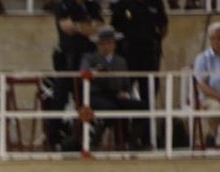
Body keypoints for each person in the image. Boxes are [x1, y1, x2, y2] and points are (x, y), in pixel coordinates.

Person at [47, 0, 104, 150]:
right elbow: (67, 27)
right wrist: (86, 27)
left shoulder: (91, 5)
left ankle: (84, 138)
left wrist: (79, 27)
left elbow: (98, 28)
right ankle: (53, 139)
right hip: (68, 61)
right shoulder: (64, 5)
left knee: (86, 100)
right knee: (59, 99)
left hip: (88, 60)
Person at [80, 26, 147, 149]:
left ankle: (132, 142)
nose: (107, 46)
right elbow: (84, 71)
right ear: (98, 44)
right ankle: (94, 142)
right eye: (103, 43)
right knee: (110, 109)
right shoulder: (89, 58)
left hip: (116, 95)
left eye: (110, 42)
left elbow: (126, 83)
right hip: (96, 95)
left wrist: (125, 93)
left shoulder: (121, 61)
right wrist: (96, 72)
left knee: (141, 106)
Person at [109, 0, 168, 108]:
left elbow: (163, 26)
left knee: (149, 90)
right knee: (124, 89)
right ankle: (124, 117)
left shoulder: (155, 2)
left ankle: (148, 116)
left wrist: (155, 40)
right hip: (127, 55)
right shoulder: (122, 4)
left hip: (149, 54)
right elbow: (115, 27)